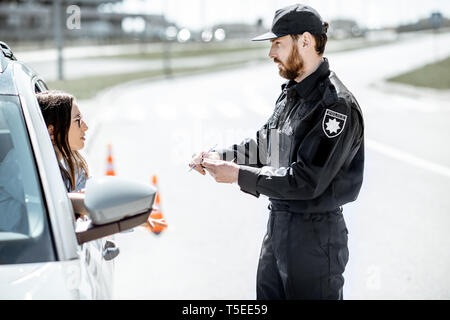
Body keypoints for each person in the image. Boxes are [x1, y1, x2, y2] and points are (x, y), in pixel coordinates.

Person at [189, 4, 364, 300]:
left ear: (305, 41)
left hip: (315, 239)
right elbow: (266, 145)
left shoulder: (335, 106)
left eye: (277, 43)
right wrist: (220, 156)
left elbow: (307, 181)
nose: (271, 53)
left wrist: (239, 176)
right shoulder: (292, 92)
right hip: (279, 227)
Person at [37, 90, 167, 230]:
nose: (85, 127)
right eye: (77, 120)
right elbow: (48, 202)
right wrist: (121, 211)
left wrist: (123, 214)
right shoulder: (28, 170)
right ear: (51, 132)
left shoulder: (76, 168)